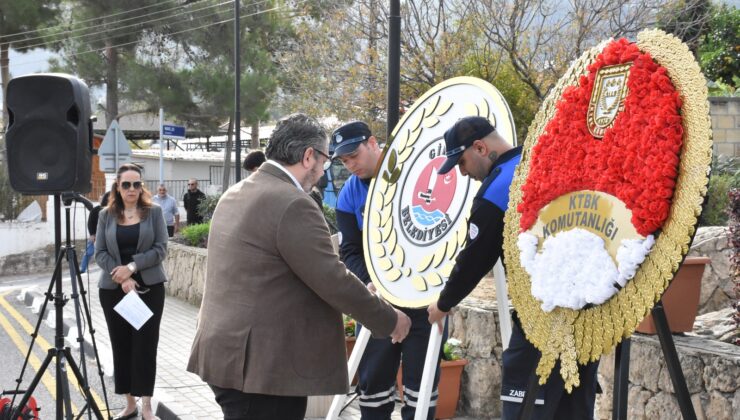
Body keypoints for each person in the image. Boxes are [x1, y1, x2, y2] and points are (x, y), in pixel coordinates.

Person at [187, 113, 412, 420]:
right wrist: (389, 320)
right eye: (325, 161)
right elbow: (332, 279)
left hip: (226, 357)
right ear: (309, 156)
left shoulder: (238, 192)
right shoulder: (292, 203)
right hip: (262, 372)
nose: (322, 172)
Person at [425, 116, 599, 420]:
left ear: (479, 147)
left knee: (523, 409)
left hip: (542, 321)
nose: (464, 173)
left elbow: (475, 258)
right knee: (573, 410)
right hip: (587, 315)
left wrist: (443, 303)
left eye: (462, 163)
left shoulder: (500, 187)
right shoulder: (546, 160)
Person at [332, 121, 446, 420]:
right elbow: (350, 252)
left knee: (421, 392)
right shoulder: (349, 194)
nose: (350, 165)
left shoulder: (411, 177)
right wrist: (373, 284)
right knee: (373, 389)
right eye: (343, 161)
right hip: (377, 303)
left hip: (422, 300)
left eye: (353, 155)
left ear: (372, 143)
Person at [95, 163, 168, 420]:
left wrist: (132, 267)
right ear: (118, 186)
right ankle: (129, 404)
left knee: (145, 347)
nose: (132, 189)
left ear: (141, 186)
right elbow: (99, 252)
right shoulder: (106, 215)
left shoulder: (154, 213)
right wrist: (122, 276)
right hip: (114, 291)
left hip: (149, 290)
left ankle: (146, 405)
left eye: (136, 184)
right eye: (126, 184)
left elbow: (161, 249)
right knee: (121, 345)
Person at [80, 191, 109, 273]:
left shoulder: (110, 210)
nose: (101, 200)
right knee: (88, 253)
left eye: (102, 198)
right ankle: (82, 269)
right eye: (100, 198)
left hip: (106, 235)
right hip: (95, 235)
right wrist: (92, 234)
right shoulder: (95, 210)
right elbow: (90, 222)